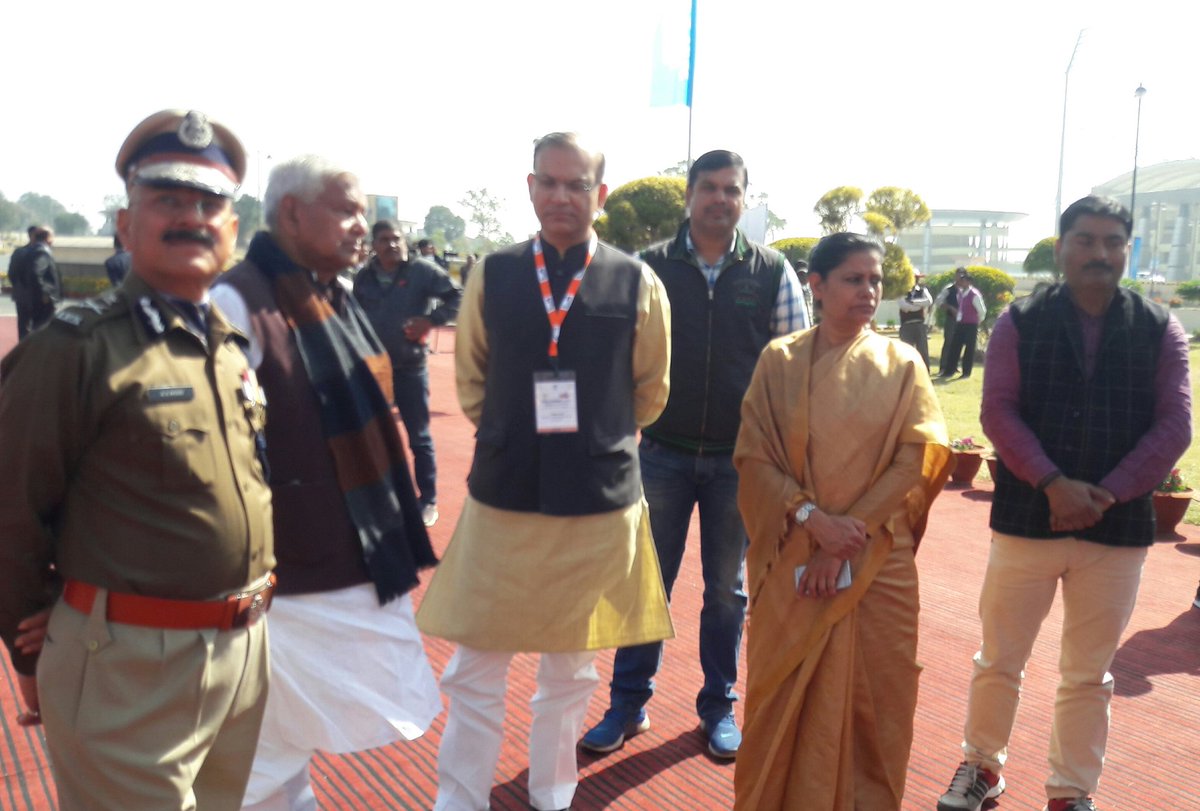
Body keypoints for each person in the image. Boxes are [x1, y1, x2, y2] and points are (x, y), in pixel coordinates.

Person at [0, 108, 274, 810]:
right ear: (125, 225)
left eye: (210, 203)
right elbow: (11, 508)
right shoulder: (74, 350)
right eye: (168, 199)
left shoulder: (227, 348)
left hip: (242, 654)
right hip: (125, 664)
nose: (192, 217)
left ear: (233, 229)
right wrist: (33, 644)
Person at [416, 131, 673, 811]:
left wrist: (595, 436)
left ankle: (553, 791)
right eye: (549, 182)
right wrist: (512, 432)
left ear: (600, 194)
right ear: (530, 187)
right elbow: (471, 378)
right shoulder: (493, 273)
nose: (562, 196)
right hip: (506, 492)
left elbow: (651, 389)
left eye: (577, 184)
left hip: (597, 499)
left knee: (572, 666)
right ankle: (460, 798)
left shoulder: (636, 281)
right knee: (476, 664)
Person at [935, 195, 1191, 811]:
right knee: (999, 659)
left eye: (1113, 242)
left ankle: (1071, 791)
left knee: (1089, 673)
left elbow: (1175, 425)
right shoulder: (1020, 322)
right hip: (1028, 517)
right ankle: (982, 766)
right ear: (1061, 248)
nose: (1100, 253)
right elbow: (998, 411)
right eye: (1086, 240)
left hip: (1116, 527)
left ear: (1126, 250)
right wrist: (1053, 483)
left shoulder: (1160, 328)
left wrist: (1109, 492)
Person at [210, 155, 442, 811]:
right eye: (346, 210)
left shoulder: (331, 294)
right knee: (263, 740)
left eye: (362, 212)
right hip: (287, 569)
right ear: (291, 213)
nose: (361, 226)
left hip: (352, 550)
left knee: (283, 731)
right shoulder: (238, 301)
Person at [582, 149, 809, 760]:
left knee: (726, 593)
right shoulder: (647, 267)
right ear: (688, 195)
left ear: (744, 199)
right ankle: (627, 705)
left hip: (740, 462)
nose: (719, 199)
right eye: (708, 187)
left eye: (731, 189)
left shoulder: (772, 272)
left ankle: (717, 707)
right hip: (661, 454)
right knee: (645, 583)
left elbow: (794, 371)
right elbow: (614, 358)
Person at [731, 232, 952, 810]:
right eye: (854, 279)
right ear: (817, 285)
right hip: (794, 552)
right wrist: (812, 520)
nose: (868, 291)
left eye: (875, 281)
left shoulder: (902, 363)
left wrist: (842, 541)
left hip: (877, 557)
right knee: (782, 693)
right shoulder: (779, 362)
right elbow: (754, 457)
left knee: (879, 700)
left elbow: (915, 459)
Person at [353, 219, 462, 527]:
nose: (392, 244)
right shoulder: (364, 278)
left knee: (419, 439)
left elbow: (457, 297)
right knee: (372, 438)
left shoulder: (422, 271)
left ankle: (427, 500)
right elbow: (352, 316)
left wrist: (430, 321)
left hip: (410, 369)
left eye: (396, 238)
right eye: (384, 239)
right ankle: (380, 500)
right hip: (373, 371)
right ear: (374, 245)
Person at [13, 226, 62, 336]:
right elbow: (36, 272)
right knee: (42, 330)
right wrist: (44, 294)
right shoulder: (42, 252)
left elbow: (15, 273)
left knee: (29, 329)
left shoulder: (27, 252)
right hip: (42, 301)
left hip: (27, 297)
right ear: (47, 238)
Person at [938, 267, 984, 378]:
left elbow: (982, 311)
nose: (961, 282)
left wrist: (977, 321)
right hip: (961, 323)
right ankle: (949, 370)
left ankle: (966, 372)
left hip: (971, 325)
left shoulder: (974, 294)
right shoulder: (960, 293)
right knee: (955, 347)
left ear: (968, 282)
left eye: (964, 280)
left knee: (969, 349)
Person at [7, 224, 40, 337]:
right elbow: (12, 273)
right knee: (24, 326)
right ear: (31, 235)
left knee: (32, 326)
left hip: (27, 294)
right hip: (26, 295)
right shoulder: (20, 252)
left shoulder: (41, 251)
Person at [898, 268, 933, 368]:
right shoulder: (901, 292)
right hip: (906, 326)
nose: (915, 280)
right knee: (906, 352)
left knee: (923, 351)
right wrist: (919, 305)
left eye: (916, 278)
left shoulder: (923, 290)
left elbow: (928, 301)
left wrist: (912, 302)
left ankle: (925, 372)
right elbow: (904, 306)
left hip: (920, 325)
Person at [934, 269, 961, 375]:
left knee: (958, 343)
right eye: (958, 276)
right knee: (948, 342)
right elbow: (938, 301)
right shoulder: (949, 289)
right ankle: (943, 367)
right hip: (951, 319)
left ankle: (954, 365)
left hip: (962, 320)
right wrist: (949, 308)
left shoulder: (965, 290)